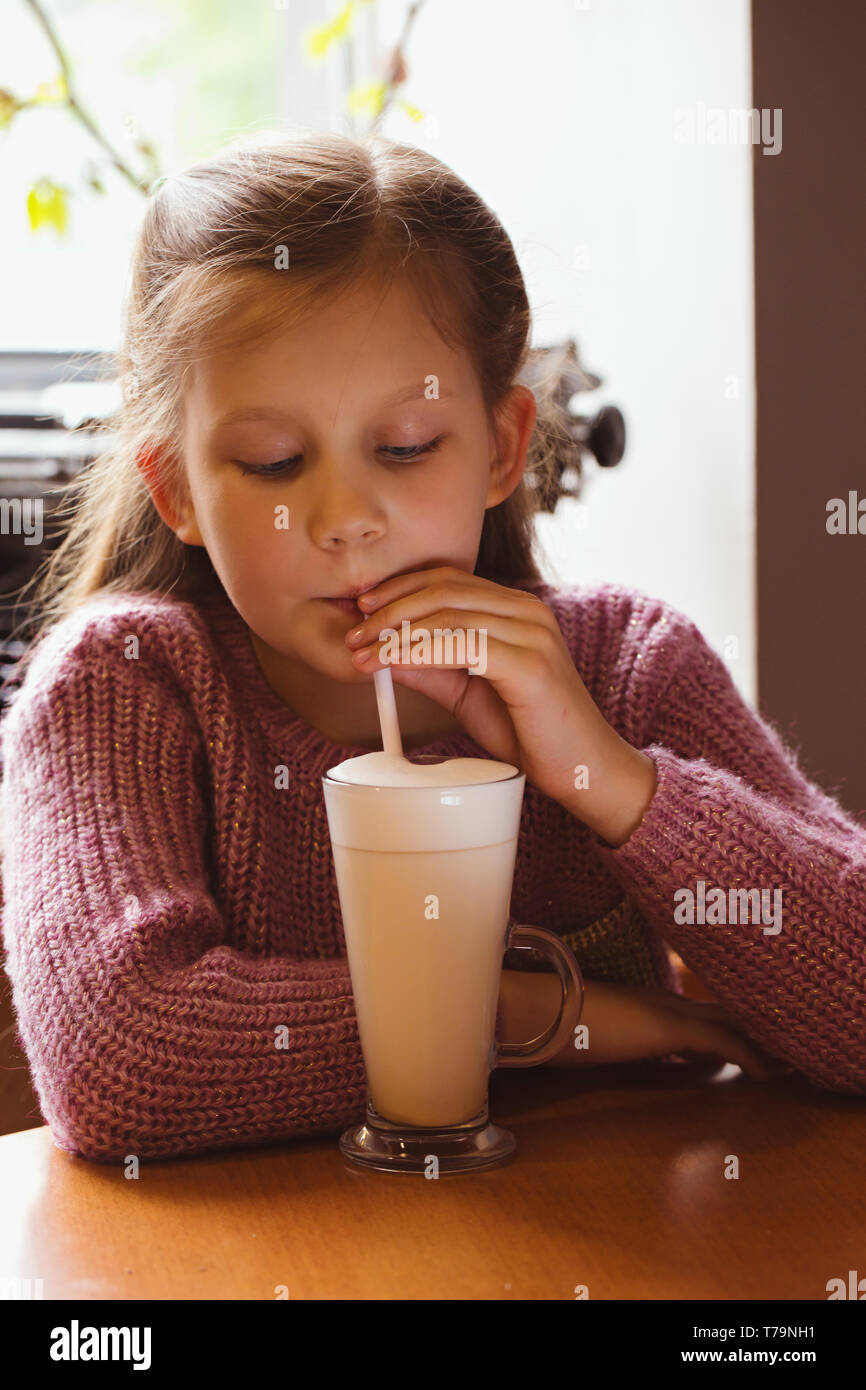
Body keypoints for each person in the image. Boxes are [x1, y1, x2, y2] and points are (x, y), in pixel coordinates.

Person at [1, 131, 862, 1165]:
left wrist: (609, 778)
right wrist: (548, 1018)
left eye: (404, 446)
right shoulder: (126, 688)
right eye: (273, 463)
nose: (342, 518)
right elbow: (118, 1058)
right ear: (178, 487)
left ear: (501, 446)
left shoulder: (626, 667)